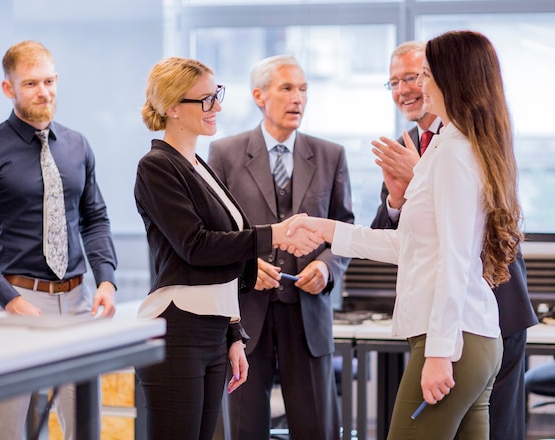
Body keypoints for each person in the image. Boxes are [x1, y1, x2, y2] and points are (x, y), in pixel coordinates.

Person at [287, 30, 523, 439]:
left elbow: (454, 258)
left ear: (452, 79)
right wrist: (326, 229)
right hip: (471, 338)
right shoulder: (450, 146)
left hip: (453, 340)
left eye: (425, 74)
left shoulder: (452, 151)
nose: (416, 85)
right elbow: (413, 246)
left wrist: (439, 353)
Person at [133, 56, 323, 440]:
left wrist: (232, 334)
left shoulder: (198, 165)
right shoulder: (156, 166)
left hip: (210, 330)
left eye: (216, 95)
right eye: (205, 99)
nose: (217, 107)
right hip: (177, 330)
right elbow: (197, 248)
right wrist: (274, 235)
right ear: (172, 107)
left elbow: (223, 259)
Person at [370, 40, 538, 440]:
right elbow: (401, 237)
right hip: (435, 319)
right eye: (393, 82)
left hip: (490, 309)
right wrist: (399, 196)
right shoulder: (408, 144)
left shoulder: (467, 142)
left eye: (415, 76)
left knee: (501, 428)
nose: (406, 89)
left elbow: (464, 247)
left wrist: (424, 175)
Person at [0, 41, 118, 439]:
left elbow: (95, 218)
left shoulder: (77, 145)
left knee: (85, 429)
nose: (43, 92)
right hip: (17, 304)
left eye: (49, 81)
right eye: (31, 84)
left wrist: (107, 280)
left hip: (78, 303)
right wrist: (8, 299)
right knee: (6, 430)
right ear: (9, 89)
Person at [208, 55, 354, 440]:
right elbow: (214, 234)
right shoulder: (224, 154)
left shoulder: (330, 155)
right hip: (246, 316)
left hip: (308, 314)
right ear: (259, 95)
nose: (298, 98)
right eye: (287, 88)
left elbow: (346, 227)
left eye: (303, 89)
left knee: (317, 428)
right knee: (243, 427)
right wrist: (246, 269)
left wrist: (326, 268)